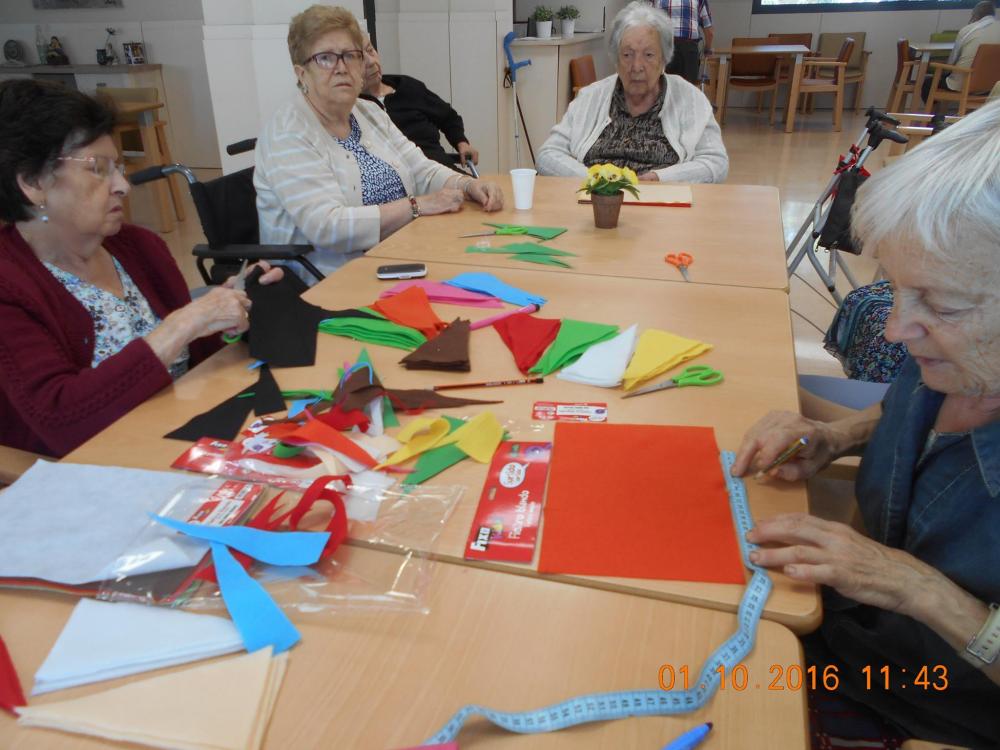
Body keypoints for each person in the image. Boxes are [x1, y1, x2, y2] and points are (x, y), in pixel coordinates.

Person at [732, 99, 1000, 747]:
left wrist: (913, 586)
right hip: (853, 643)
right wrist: (833, 437)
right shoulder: (961, 360)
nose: (895, 328)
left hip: (935, 711)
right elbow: (898, 409)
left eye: (940, 303)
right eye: (895, 286)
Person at [0, 80, 282, 458]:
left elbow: (199, 358)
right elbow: (62, 420)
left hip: (181, 438)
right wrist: (183, 324)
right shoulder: (9, 284)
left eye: (117, 167)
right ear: (33, 183)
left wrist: (231, 312)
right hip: (94, 468)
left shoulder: (138, 247)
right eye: (98, 169)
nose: (122, 185)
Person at [254, 5, 503, 279]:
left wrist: (468, 185)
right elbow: (328, 228)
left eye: (350, 55)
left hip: (404, 253)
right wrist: (418, 206)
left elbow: (422, 170)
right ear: (302, 74)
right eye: (325, 58)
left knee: (492, 264)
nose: (341, 68)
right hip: (333, 279)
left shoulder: (369, 112)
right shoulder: (287, 133)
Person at [536, 1, 727, 184]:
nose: (636, 67)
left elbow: (716, 163)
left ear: (664, 58)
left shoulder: (690, 99)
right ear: (615, 58)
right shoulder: (590, 97)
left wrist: (660, 179)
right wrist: (595, 179)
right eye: (627, 55)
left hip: (661, 202)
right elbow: (548, 155)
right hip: (596, 200)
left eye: (648, 55)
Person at [361, 35, 478, 172]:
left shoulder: (407, 87)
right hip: (400, 179)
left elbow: (448, 117)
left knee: (488, 186)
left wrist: (462, 142)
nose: (371, 62)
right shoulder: (354, 108)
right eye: (360, 58)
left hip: (442, 170)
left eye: (370, 50)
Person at [921, 0, 1000, 106]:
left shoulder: (968, 30)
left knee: (928, 83)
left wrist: (942, 69)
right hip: (992, 86)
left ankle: (933, 114)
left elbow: (951, 63)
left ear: (974, 15)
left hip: (963, 84)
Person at [655, 0, 714, 85]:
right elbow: (709, 32)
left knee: (664, 87)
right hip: (689, 51)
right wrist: (708, 49)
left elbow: (647, 23)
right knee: (688, 88)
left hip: (664, 49)